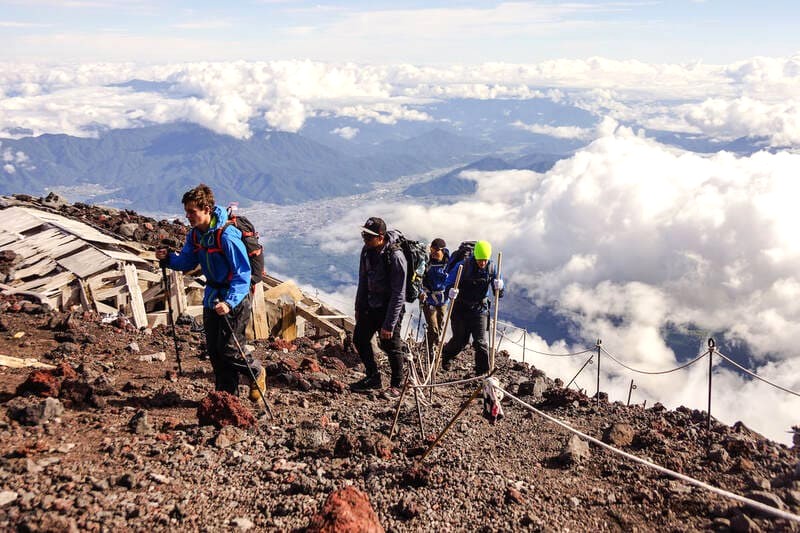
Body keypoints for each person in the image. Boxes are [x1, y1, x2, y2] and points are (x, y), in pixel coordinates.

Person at [155, 184, 265, 401]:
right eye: (186, 212)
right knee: (215, 352)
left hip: (234, 297)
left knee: (230, 349)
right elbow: (186, 260)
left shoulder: (227, 236)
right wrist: (168, 258)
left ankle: (257, 372)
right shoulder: (196, 235)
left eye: (191, 212)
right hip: (212, 295)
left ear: (206, 208)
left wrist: (230, 302)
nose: (187, 216)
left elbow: (242, 274)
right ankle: (227, 398)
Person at [351, 217, 408, 398]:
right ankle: (373, 377)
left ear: (381, 237)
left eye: (369, 236)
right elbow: (363, 280)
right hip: (370, 305)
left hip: (389, 309)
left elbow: (399, 294)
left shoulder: (395, 257)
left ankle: (397, 385)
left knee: (391, 345)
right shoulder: (366, 252)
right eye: (364, 235)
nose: (365, 239)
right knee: (359, 339)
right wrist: (358, 307)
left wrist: (389, 324)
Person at [440, 240, 504, 376]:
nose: (482, 263)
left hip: (480, 309)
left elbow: (499, 293)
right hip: (461, 309)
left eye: (485, 260)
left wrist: (500, 287)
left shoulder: (492, 268)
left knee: (480, 342)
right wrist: (451, 291)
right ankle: (445, 356)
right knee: (460, 341)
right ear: (475, 256)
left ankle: (482, 374)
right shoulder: (462, 266)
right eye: (480, 260)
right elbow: (448, 285)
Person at [420, 238, 449, 356]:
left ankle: (430, 346)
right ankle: (429, 351)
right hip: (428, 298)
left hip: (443, 300)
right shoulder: (426, 262)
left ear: (442, 250)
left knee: (440, 326)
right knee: (433, 328)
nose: (433, 253)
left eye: (436, 251)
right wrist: (421, 292)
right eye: (432, 250)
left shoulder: (449, 263)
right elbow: (419, 279)